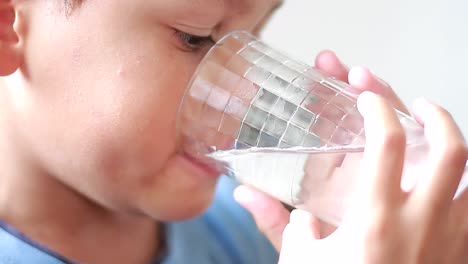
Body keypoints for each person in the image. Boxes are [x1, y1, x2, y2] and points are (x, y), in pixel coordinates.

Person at [0, 0, 467, 263]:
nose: (248, 96)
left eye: (255, 36)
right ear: (9, 24)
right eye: (194, 36)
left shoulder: (244, 229)